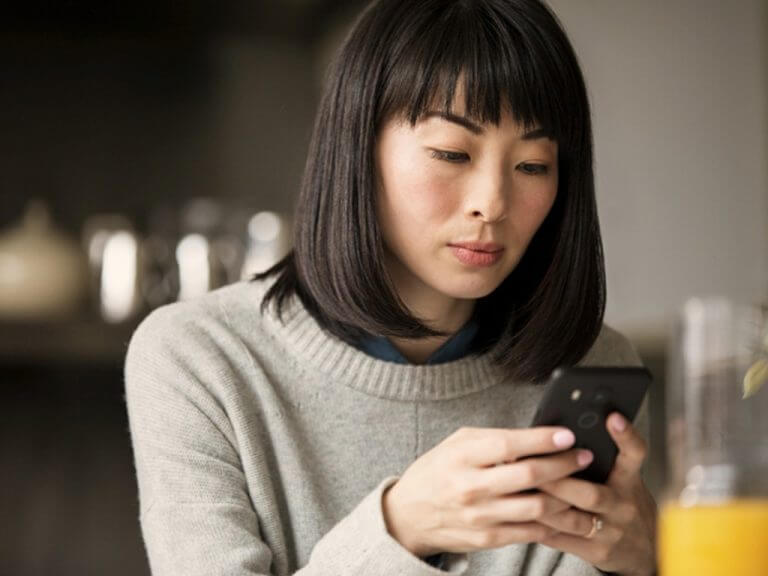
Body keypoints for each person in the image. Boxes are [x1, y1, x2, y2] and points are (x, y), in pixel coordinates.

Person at [124, 0, 658, 574]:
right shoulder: (199, 357)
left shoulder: (590, 368)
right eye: (452, 154)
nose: (493, 204)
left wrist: (652, 562)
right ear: (358, 150)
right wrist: (400, 526)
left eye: (532, 165)